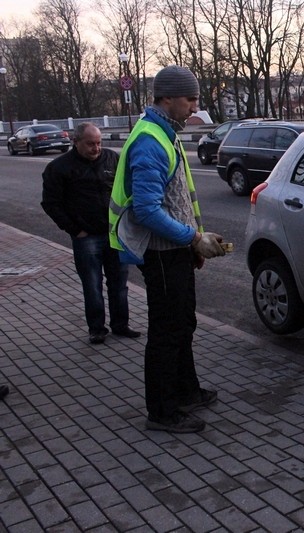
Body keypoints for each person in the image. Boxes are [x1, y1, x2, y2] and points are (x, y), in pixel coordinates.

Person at [109, 65, 227, 434]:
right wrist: (192, 239)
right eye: (190, 99)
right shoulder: (150, 140)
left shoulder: (164, 132)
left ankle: (186, 391)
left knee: (183, 323)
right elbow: (146, 210)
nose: (195, 107)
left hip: (174, 251)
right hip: (160, 255)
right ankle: (162, 411)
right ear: (167, 98)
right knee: (167, 331)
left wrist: (193, 244)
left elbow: (178, 201)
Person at [41, 122, 141, 345]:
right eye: (90, 144)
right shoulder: (59, 168)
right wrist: (76, 230)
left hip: (115, 233)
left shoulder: (112, 159)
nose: (96, 148)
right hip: (87, 238)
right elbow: (51, 203)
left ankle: (121, 325)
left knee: (119, 283)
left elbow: (127, 189)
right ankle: (97, 329)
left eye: (98, 143)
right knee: (92, 284)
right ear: (75, 142)